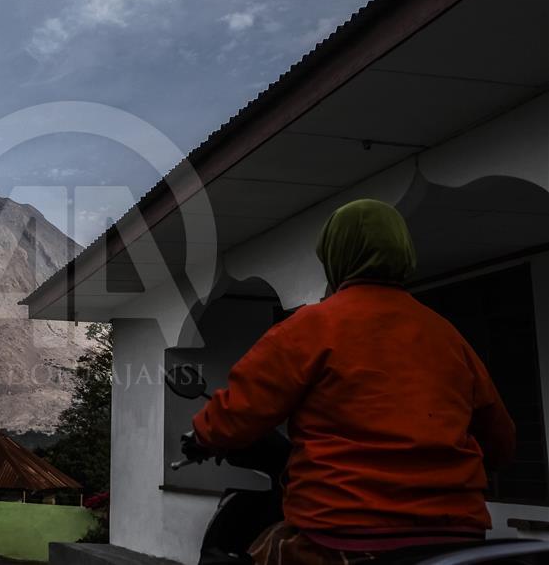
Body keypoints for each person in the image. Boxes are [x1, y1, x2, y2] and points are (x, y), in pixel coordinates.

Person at [187, 199, 516, 564]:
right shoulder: (449, 337)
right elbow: (501, 444)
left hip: (341, 533)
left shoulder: (311, 327)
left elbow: (237, 412)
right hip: (456, 534)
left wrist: (203, 435)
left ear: (334, 255)